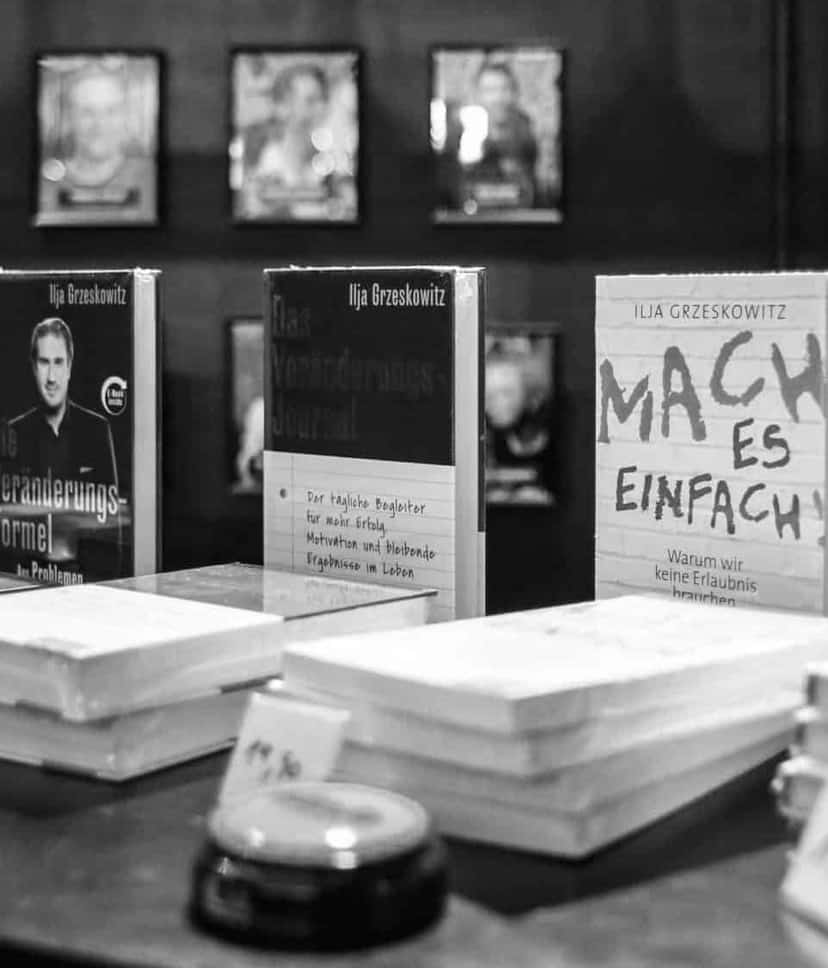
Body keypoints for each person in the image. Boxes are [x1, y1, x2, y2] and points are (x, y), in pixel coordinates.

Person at [9, 317, 118, 488]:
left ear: (69, 367)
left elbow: (111, 503)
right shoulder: (13, 434)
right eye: (44, 362)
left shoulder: (98, 430)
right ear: (34, 368)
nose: (51, 377)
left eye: (58, 362)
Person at [38, 64, 155, 220]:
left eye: (111, 111)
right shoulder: (46, 181)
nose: (100, 124)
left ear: (125, 116)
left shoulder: (150, 177)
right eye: (87, 112)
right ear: (69, 118)